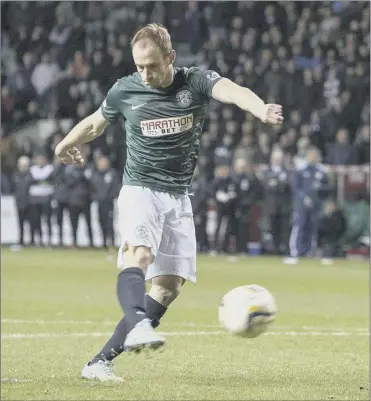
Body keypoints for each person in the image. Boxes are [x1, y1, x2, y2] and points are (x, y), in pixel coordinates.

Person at [55, 23, 283, 382]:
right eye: (139, 66)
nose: (145, 74)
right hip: (140, 189)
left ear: (170, 58)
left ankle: (98, 363)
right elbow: (96, 124)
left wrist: (258, 109)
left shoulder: (194, 82)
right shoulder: (125, 90)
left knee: (168, 286)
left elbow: (233, 90)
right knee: (140, 255)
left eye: (152, 65)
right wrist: (63, 144)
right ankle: (137, 322)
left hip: (178, 196)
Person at [285, 147, 330, 264]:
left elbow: (328, 188)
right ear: (307, 156)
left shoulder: (322, 171)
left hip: (316, 205)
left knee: (313, 228)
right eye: (311, 155)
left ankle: (309, 251)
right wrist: (303, 198)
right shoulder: (300, 169)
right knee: (300, 226)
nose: (313, 158)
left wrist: (320, 189)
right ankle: (295, 251)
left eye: (315, 156)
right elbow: (295, 187)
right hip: (302, 205)